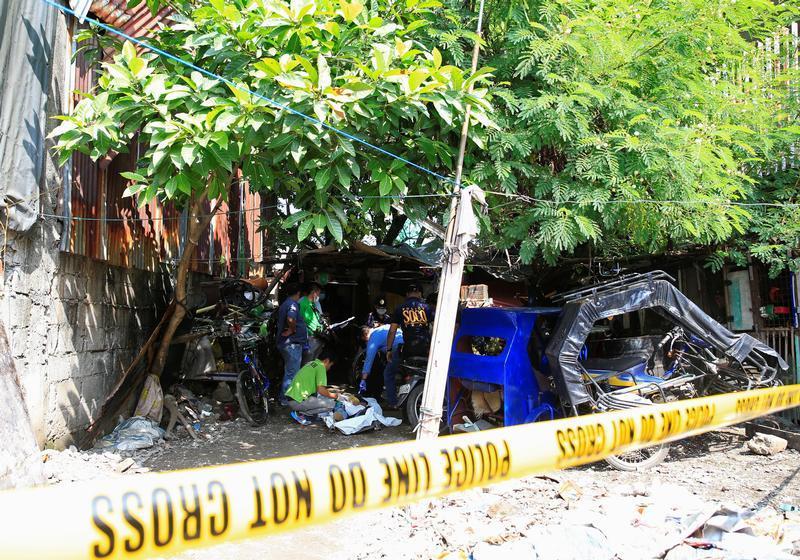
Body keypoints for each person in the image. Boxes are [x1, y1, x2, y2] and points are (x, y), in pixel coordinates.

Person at [285, 350, 339, 425]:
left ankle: (301, 412)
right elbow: (321, 390)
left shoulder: (311, 363)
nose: (329, 368)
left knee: (322, 399)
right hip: (298, 401)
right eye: (331, 365)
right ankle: (302, 414)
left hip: (292, 399)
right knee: (332, 404)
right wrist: (336, 396)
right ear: (327, 360)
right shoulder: (321, 367)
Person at [386, 283, 433, 366]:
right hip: (425, 348)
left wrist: (389, 350)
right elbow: (436, 328)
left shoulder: (399, 308)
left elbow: (392, 331)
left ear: (407, 294)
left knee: (395, 371)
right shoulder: (427, 308)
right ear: (420, 294)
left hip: (408, 348)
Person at [276, 283, 307, 407]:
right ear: (298, 293)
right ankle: (285, 399)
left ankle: (286, 397)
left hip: (288, 343)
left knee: (289, 371)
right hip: (292, 344)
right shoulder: (292, 305)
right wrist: (292, 330)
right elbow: (290, 319)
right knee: (291, 373)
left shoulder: (286, 303)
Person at [359, 324, 403, 407]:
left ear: (365, 335)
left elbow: (369, 359)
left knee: (388, 374)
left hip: (397, 348)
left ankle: (392, 403)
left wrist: (363, 379)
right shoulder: (381, 329)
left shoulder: (373, 337)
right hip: (406, 345)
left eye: (365, 340)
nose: (366, 342)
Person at [299, 282, 324, 364]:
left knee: (312, 363)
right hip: (309, 338)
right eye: (318, 293)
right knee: (307, 363)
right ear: (313, 293)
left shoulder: (313, 304)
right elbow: (299, 321)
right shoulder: (302, 303)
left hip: (316, 338)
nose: (319, 296)